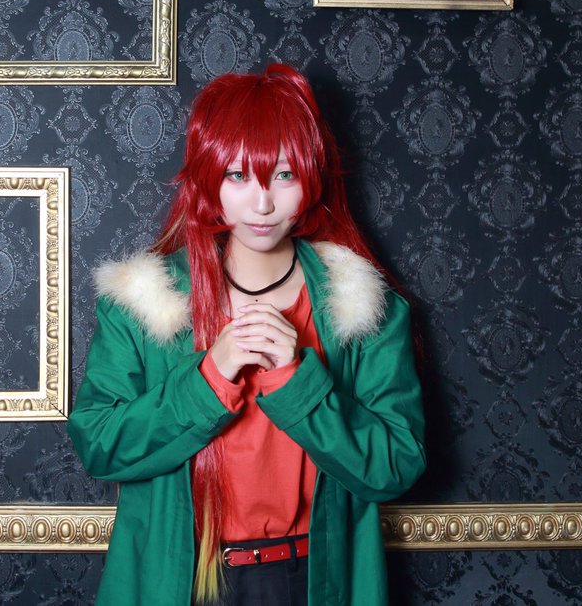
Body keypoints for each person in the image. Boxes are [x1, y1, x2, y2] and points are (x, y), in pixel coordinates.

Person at [67, 63, 425, 605]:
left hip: (311, 582)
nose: (262, 203)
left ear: (311, 177)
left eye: (284, 174)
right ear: (208, 179)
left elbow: (396, 466)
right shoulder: (146, 302)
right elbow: (99, 447)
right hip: (184, 582)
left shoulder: (360, 308)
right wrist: (209, 378)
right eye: (238, 175)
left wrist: (297, 383)